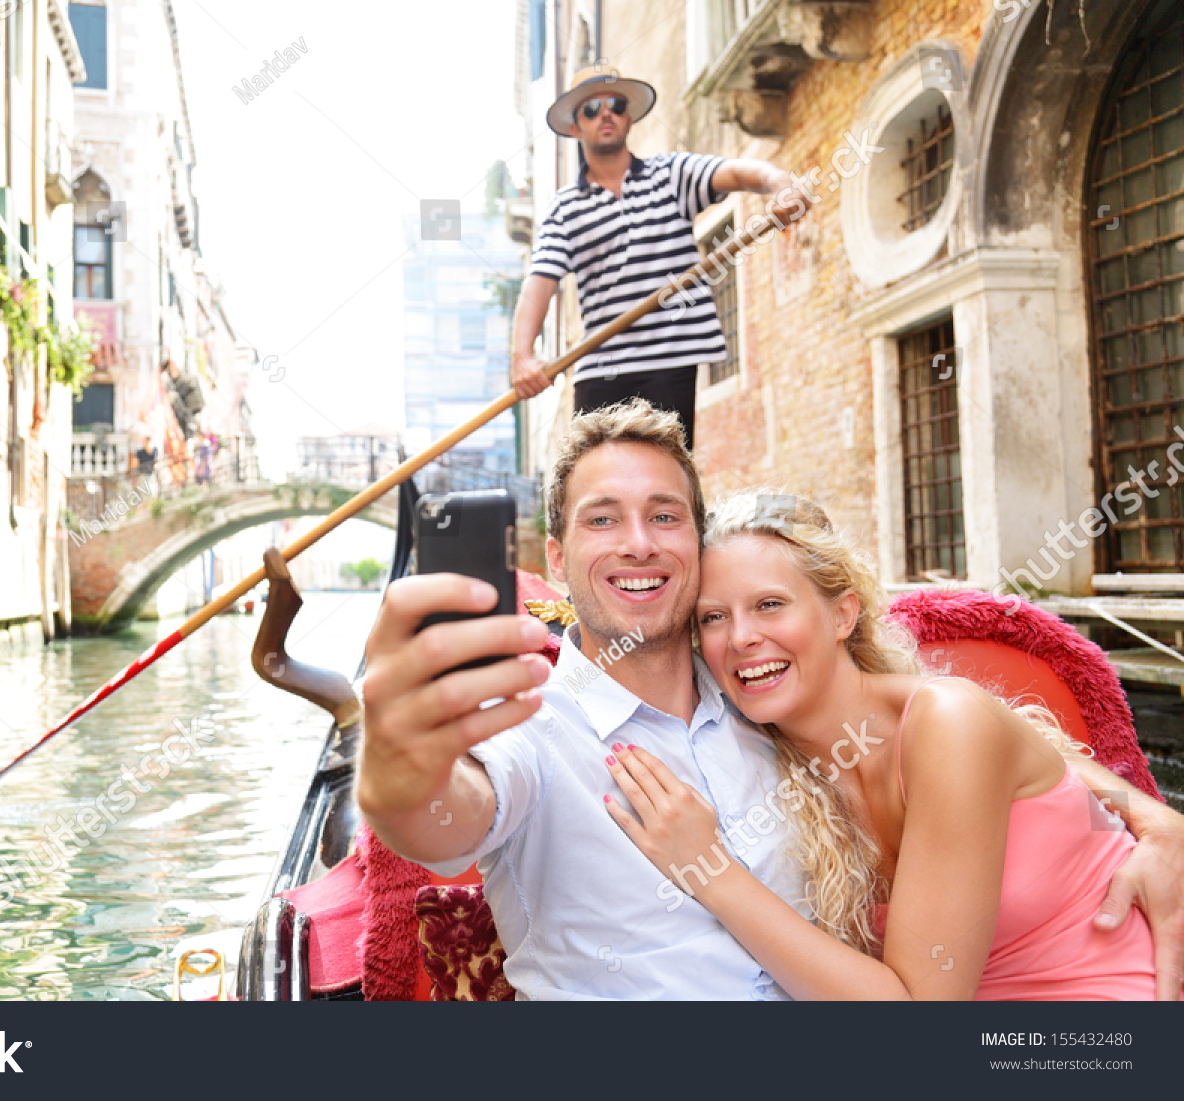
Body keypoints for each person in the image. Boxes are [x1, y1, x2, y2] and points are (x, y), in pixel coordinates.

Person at [356, 398, 1184, 999]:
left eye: (665, 516)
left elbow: (982, 742)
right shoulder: (534, 724)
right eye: (603, 519)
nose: (639, 542)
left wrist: (1155, 818)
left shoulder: (767, 708)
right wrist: (399, 766)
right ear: (558, 553)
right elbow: (447, 813)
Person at [604, 489, 1163, 999]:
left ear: (843, 614)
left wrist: (711, 870)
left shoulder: (947, 721)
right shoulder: (764, 762)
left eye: (770, 604)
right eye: (714, 617)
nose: (742, 637)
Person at [509, 66, 806, 448]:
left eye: (616, 105)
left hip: (671, 358)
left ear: (628, 118)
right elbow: (540, 284)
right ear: (574, 127)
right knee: (592, 477)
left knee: (666, 476)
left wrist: (780, 184)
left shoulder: (671, 175)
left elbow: (737, 171)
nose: (606, 114)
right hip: (601, 365)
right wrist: (522, 355)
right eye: (591, 108)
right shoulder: (565, 207)